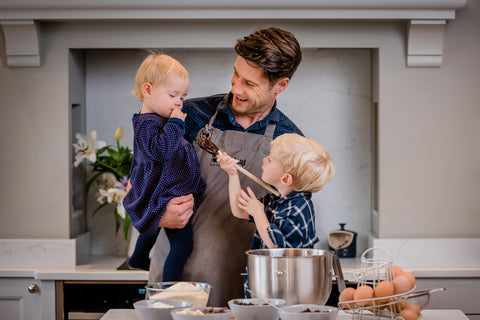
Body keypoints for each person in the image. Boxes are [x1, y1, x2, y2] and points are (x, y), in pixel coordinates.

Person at [148, 27, 304, 306]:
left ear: (281, 84)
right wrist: (158, 215)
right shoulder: (187, 115)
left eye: (250, 83)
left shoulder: (290, 141)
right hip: (178, 283)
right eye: (236, 74)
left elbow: (293, 232)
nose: (235, 88)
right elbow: (137, 184)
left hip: (250, 291)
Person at [217, 133, 335, 295]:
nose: (264, 160)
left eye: (270, 159)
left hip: (290, 291)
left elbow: (278, 248)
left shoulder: (299, 207)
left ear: (286, 179)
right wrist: (232, 174)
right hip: (270, 287)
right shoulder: (278, 199)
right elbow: (239, 211)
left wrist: (258, 213)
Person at [123, 53, 206, 279]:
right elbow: (162, 150)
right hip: (166, 195)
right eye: (173, 95)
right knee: (182, 246)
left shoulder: (156, 120)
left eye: (183, 96)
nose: (179, 102)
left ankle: (138, 257)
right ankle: (171, 292)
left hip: (166, 192)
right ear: (147, 91)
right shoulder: (147, 124)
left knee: (155, 225)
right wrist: (177, 123)